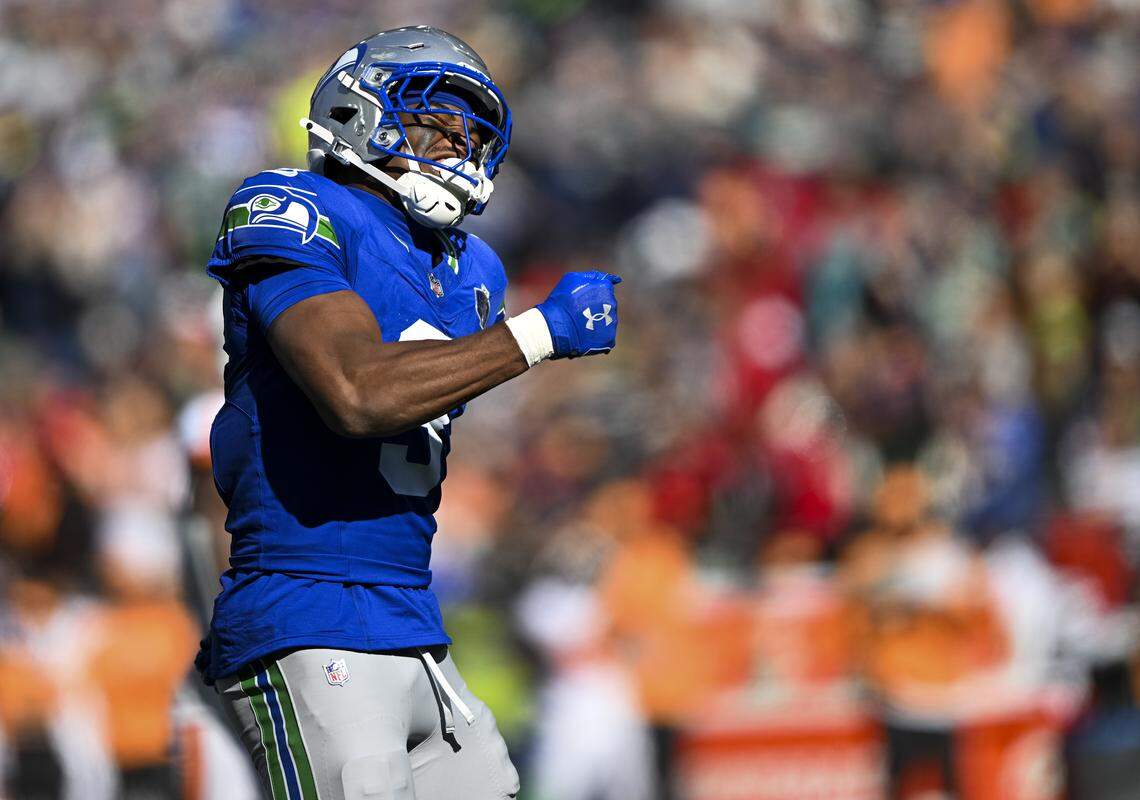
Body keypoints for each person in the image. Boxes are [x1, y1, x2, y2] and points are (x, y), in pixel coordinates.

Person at [196, 26, 621, 800]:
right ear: (359, 113)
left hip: (413, 619)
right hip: (306, 607)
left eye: (471, 129)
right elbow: (357, 393)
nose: (459, 143)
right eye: (436, 118)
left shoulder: (470, 267)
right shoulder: (290, 205)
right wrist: (536, 334)